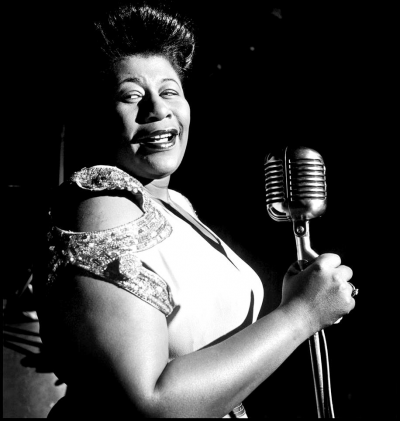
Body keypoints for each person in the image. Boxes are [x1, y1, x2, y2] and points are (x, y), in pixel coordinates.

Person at [35, 1, 356, 418]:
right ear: (95, 114)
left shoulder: (174, 204)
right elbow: (152, 402)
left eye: (169, 91)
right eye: (131, 96)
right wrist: (301, 315)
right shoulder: (104, 205)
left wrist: (300, 299)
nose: (158, 109)